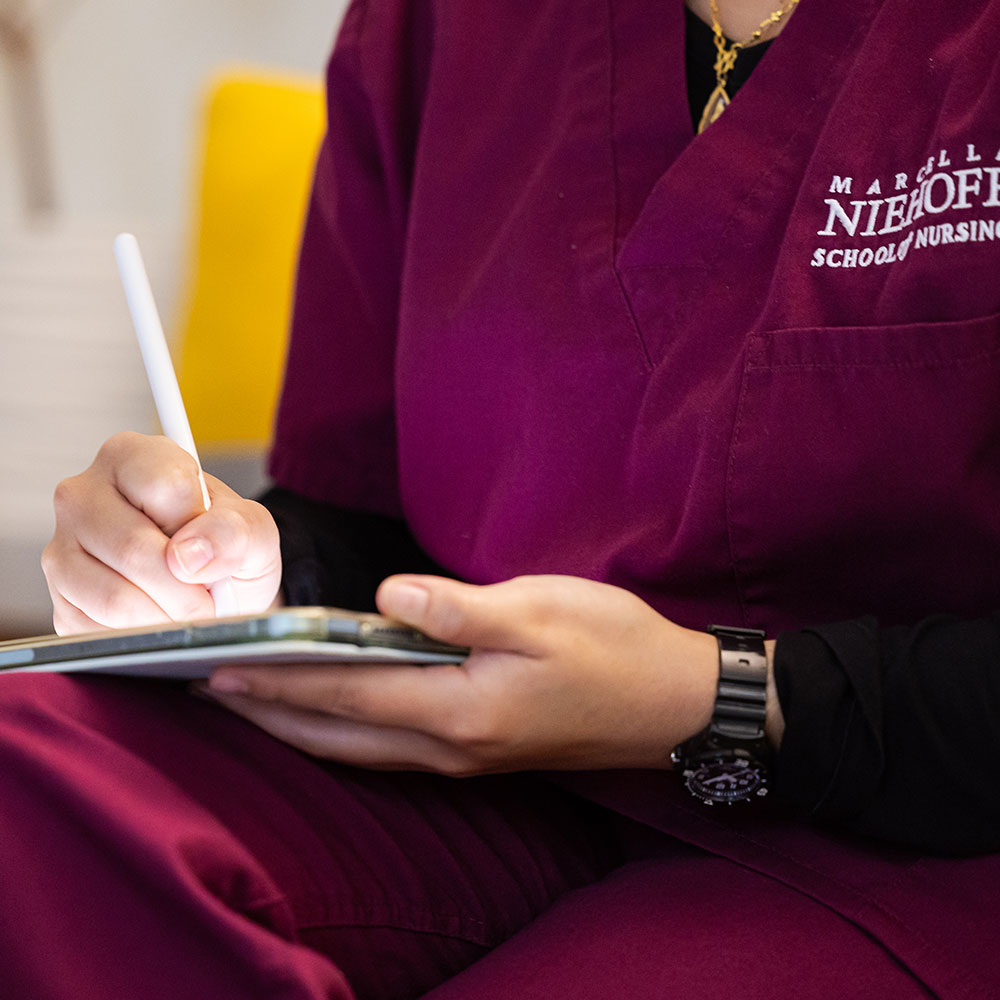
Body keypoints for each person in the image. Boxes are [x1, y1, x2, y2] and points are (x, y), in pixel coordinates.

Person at [5, 0, 1000, 996]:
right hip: (478, 787)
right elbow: (367, 511)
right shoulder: (436, 26)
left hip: (903, 841)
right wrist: (239, 566)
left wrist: (712, 696)